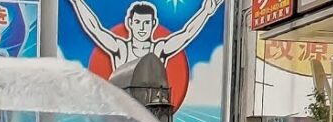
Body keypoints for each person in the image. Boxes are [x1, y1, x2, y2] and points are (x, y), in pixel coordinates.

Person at [66, 0, 223, 70]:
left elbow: (187, 33)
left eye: (146, 23)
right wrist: (77, 2)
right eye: (138, 22)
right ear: (130, 23)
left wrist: (206, 12)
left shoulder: (159, 49)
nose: (142, 28)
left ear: (153, 24)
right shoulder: (120, 48)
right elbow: (95, 28)